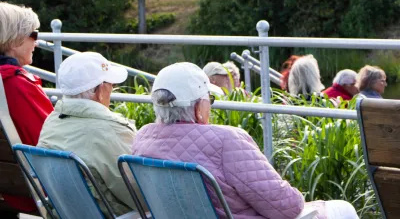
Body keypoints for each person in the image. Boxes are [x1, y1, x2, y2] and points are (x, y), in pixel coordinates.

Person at [132, 62, 359, 219]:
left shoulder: (142, 139)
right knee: (343, 209)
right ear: (198, 107)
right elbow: (287, 208)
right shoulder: (226, 141)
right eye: (209, 99)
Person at [38, 52, 143, 217]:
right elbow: (140, 195)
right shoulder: (111, 130)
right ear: (100, 91)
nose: (112, 90)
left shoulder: (52, 121)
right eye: (111, 85)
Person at [0, 2, 54, 214]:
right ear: (14, 40)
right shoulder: (17, 84)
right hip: (32, 193)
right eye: (33, 34)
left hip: (7, 185)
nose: (37, 41)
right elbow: (51, 139)